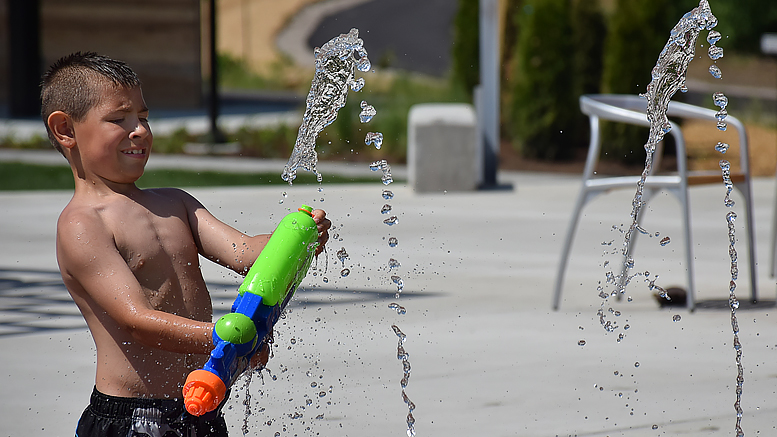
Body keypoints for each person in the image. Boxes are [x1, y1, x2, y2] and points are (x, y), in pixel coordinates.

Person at [40, 52, 330, 437]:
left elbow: (245, 254)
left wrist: (293, 241)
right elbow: (135, 321)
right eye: (119, 119)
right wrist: (222, 335)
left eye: (143, 117)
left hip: (200, 407)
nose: (139, 130)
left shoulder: (176, 203)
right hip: (130, 419)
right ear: (65, 130)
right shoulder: (82, 224)